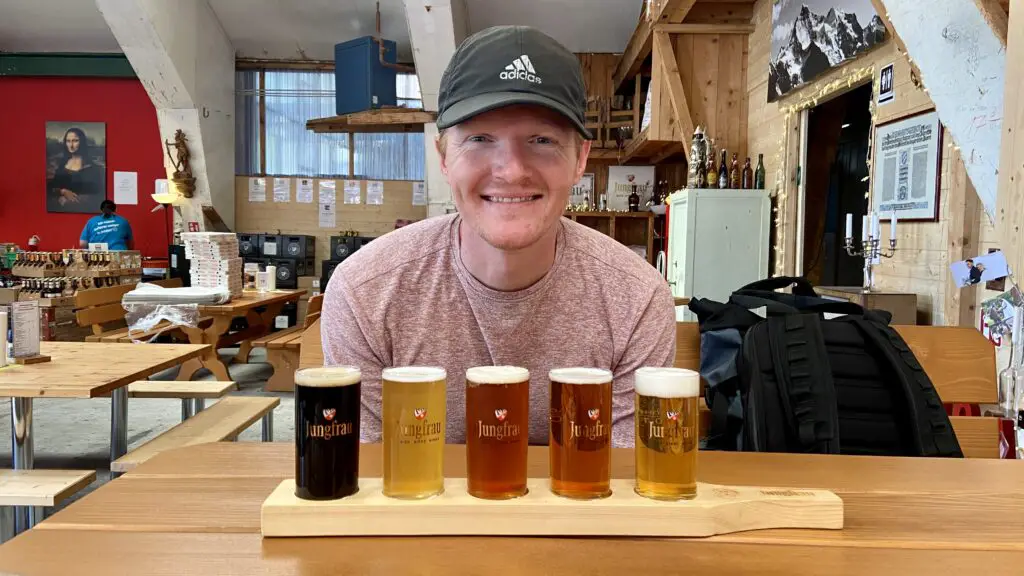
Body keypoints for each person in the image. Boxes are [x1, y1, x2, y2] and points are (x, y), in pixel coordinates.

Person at [321, 25, 677, 448]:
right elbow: (373, 486)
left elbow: (620, 491)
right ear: (443, 158)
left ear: (580, 159)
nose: (511, 170)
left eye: (541, 140)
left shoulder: (635, 300)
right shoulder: (365, 292)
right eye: (480, 139)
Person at [47, 127, 105, 212]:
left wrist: (69, 201)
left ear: (82, 142)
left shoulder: (92, 168)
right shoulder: (62, 165)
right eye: (68, 141)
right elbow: (52, 187)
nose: (71, 145)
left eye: (75, 141)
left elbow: (95, 195)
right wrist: (63, 191)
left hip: (80, 209)